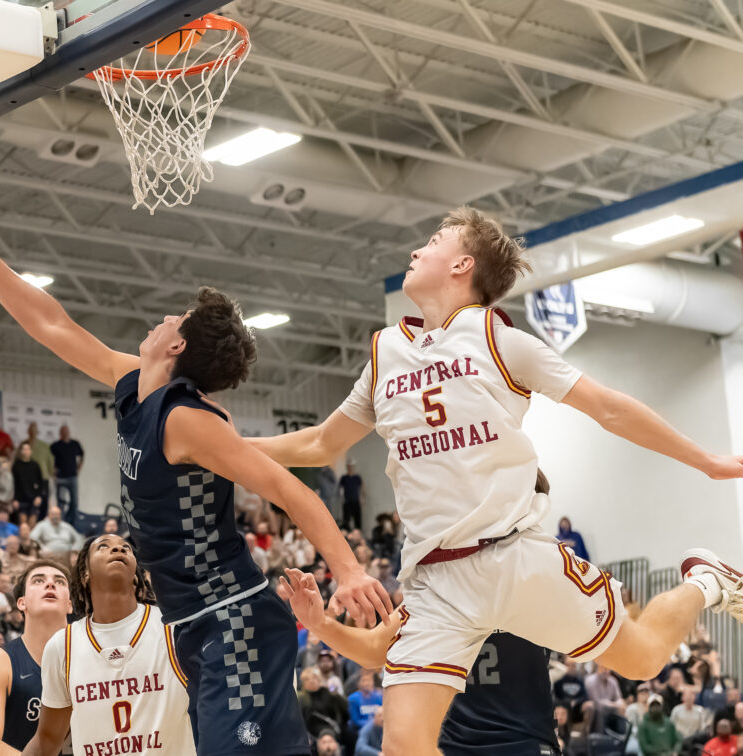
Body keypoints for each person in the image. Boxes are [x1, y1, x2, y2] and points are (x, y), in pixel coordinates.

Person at [249, 208, 743, 755]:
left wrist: (707, 462)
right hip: (435, 581)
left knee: (646, 659)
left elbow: (609, 409)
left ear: (463, 264)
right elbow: (320, 443)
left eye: (432, 241)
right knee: (403, 747)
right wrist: (224, 450)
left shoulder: (499, 340)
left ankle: (707, 582)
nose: (415, 251)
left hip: (512, 558)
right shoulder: (385, 352)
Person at [0, 177, 389, 756]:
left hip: (233, 620)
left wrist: (349, 571)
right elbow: (52, 325)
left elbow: (290, 490)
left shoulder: (189, 421)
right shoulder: (135, 384)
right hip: (194, 625)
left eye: (177, 318)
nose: (164, 319)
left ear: (176, 348)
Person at [278, 569, 563, 756]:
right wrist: (319, 624)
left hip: (525, 742)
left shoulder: (537, 576)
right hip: (454, 744)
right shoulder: (439, 587)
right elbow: (374, 647)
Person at [30, 534, 191, 756]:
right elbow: (47, 740)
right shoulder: (62, 645)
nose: (118, 550)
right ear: (85, 574)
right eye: (103, 547)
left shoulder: (173, 627)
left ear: (136, 575)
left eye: (126, 548)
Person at [0, 559, 72, 755]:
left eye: (60, 581)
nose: (50, 584)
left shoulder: (92, 656)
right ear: (21, 602)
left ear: (69, 605)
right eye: (38, 580)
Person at [50, 425, 84, 527]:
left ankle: (72, 523)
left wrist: (79, 467)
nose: (65, 433)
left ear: (69, 432)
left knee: (74, 502)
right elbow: (50, 460)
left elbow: (81, 454)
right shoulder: (55, 446)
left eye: (66, 431)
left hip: (72, 477)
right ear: (60, 433)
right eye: (63, 431)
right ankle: (62, 524)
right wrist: (53, 473)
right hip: (60, 478)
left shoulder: (75, 444)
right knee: (61, 503)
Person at [11, 441, 46, 525]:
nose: (26, 451)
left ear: (31, 451)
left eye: (28, 449)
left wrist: (39, 496)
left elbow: (41, 482)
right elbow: (13, 484)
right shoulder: (16, 465)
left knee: (32, 524)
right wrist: (14, 499)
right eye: (24, 449)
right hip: (21, 500)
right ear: (21, 451)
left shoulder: (35, 465)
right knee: (23, 524)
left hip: (34, 499)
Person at [338, 460, 365, 531]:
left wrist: (362, 499)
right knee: (346, 520)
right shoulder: (344, 478)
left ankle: (358, 535)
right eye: (348, 466)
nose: (350, 468)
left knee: (357, 520)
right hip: (347, 502)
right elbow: (340, 490)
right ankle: (347, 536)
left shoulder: (357, 477)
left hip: (356, 501)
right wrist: (342, 500)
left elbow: (361, 489)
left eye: (351, 466)